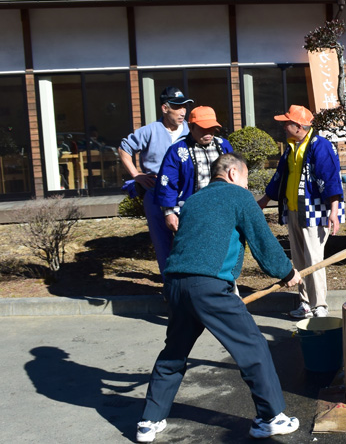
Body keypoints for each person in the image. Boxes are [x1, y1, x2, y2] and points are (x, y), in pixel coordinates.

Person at [136, 153, 302, 443]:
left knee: (174, 351)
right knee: (252, 346)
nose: (247, 184)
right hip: (208, 286)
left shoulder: (193, 201)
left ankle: (150, 420)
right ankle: (271, 418)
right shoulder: (239, 197)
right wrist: (287, 273)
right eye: (247, 178)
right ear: (233, 173)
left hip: (175, 283)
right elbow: (263, 241)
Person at [257, 105, 344, 319]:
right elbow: (279, 177)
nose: (283, 126)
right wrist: (265, 199)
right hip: (295, 210)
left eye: (286, 123)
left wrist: (335, 211)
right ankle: (305, 303)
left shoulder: (320, 146)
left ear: (298, 126)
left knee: (314, 259)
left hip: (316, 211)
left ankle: (320, 304)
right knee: (299, 260)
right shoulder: (291, 147)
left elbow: (331, 179)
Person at [119, 87, 192, 275]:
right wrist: (136, 174)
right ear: (165, 108)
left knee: (190, 240)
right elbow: (124, 148)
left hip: (187, 195)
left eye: (184, 106)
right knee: (162, 243)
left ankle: (189, 283)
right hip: (156, 194)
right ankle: (169, 286)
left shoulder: (192, 131)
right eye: (177, 107)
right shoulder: (149, 131)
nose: (182, 111)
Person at [154, 106, 233, 234]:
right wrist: (169, 212)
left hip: (222, 208)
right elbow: (167, 181)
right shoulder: (177, 150)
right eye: (203, 129)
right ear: (191, 127)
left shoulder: (224, 146)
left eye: (212, 128)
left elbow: (234, 175)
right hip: (190, 210)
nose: (208, 133)